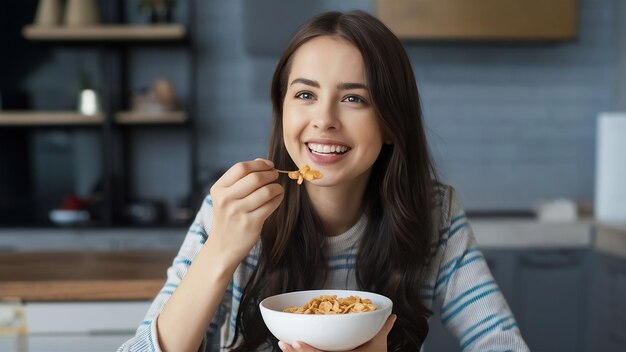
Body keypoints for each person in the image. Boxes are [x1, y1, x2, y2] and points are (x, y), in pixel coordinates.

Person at [118, 10, 529, 352]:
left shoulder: (434, 213)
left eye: (354, 98)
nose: (325, 119)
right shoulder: (235, 211)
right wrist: (221, 251)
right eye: (304, 95)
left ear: (390, 122)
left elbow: (502, 344)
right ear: (282, 111)